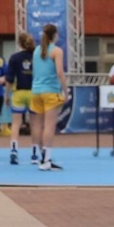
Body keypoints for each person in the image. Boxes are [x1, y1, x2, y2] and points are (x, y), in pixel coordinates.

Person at [31, 25, 67, 172]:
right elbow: (59, 72)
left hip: (36, 90)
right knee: (49, 125)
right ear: (55, 35)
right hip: (50, 91)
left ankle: (41, 156)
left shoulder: (36, 50)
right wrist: (65, 90)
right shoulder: (57, 51)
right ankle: (47, 160)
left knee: (37, 125)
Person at [4, 31, 35, 165]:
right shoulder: (37, 56)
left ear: (19, 44)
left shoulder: (14, 58)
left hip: (19, 93)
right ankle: (34, 153)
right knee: (35, 125)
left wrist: (6, 95)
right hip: (34, 92)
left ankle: (14, 151)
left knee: (16, 124)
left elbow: (9, 79)